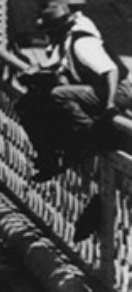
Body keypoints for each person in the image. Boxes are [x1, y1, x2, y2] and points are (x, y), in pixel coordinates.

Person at [19, 0, 131, 181]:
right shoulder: (66, 38)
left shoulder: (81, 43)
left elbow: (111, 71)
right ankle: (53, 153)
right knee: (32, 101)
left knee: (58, 95)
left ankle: (89, 135)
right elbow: (60, 67)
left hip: (117, 89)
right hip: (99, 87)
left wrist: (110, 105)